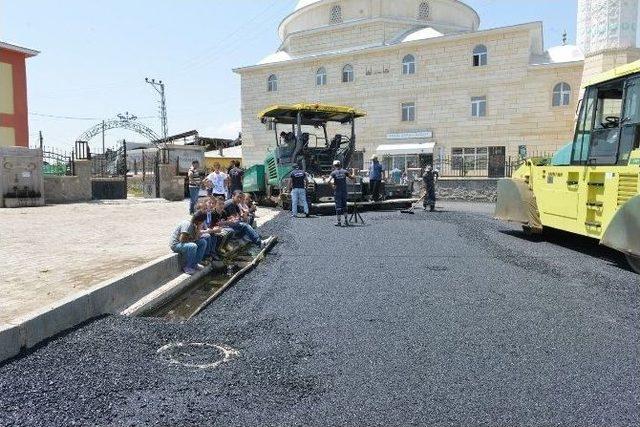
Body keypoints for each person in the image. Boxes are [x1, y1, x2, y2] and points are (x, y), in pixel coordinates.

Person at [328, 160, 354, 227]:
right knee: (344, 205)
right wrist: (354, 172)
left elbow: (328, 181)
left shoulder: (333, 173)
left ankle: (339, 221)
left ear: (334, 165)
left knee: (338, 206)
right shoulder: (345, 171)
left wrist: (332, 186)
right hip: (344, 191)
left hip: (337, 192)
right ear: (340, 165)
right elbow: (352, 178)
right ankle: (346, 221)